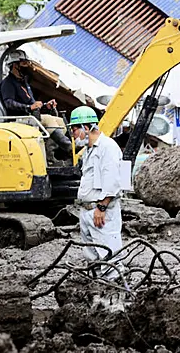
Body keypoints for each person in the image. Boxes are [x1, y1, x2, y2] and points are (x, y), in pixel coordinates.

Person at [70, 106, 125, 277]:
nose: (73, 135)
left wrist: (101, 208)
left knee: (109, 255)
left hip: (101, 211)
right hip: (88, 210)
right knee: (92, 256)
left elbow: (114, 182)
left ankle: (114, 292)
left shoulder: (107, 148)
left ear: (86, 128)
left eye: (74, 130)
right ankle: (97, 289)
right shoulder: (89, 151)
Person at [0, 50, 56, 117]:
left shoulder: (24, 82)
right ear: (15, 65)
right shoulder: (8, 82)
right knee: (51, 122)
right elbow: (8, 103)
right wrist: (28, 107)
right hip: (20, 118)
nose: (27, 66)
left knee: (59, 121)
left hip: (30, 117)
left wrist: (45, 105)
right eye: (24, 63)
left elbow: (32, 104)